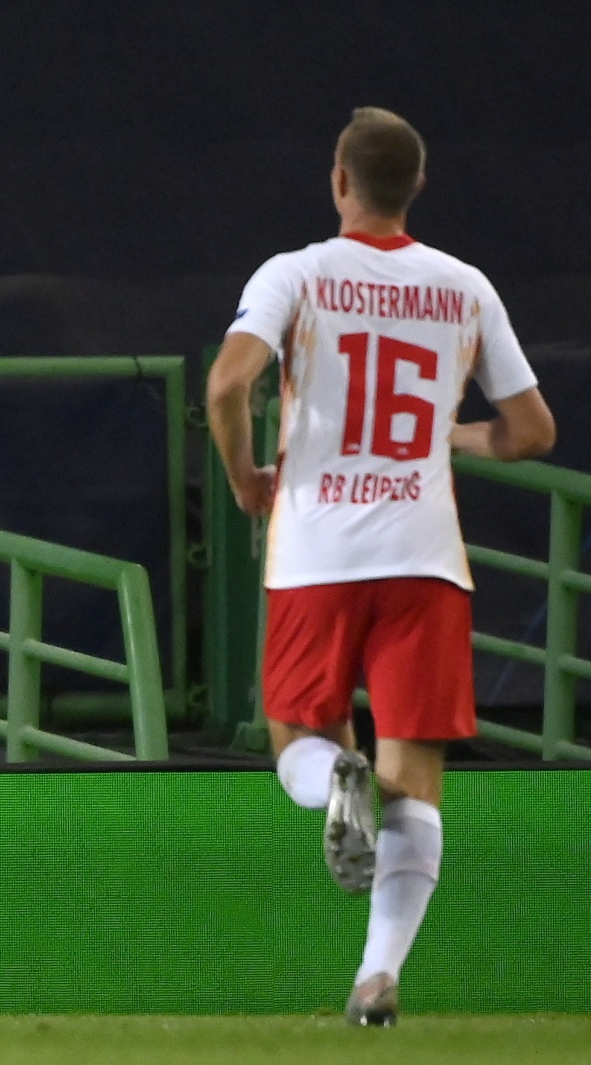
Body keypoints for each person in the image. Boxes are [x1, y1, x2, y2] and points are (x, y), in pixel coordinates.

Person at [206, 107, 555, 1027]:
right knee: (418, 778)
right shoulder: (464, 286)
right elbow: (532, 431)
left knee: (297, 740)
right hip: (425, 557)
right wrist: (454, 434)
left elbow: (227, 381)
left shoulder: (297, 273)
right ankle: (376, 978)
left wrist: (248, 477)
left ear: (338, 181)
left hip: (317, 549)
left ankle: (334, 781)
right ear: (417, 187)